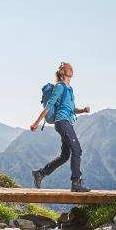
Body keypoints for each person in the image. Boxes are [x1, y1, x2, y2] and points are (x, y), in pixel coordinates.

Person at [30, 62, 92, 192]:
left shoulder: (69, 89)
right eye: (69, 67)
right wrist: (36, 123)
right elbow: (49, 106)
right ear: (63, 72)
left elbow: (72, 109)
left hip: (67, 122)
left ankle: (40, 173)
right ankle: (76, 182)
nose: (72, 68)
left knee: (65, 156)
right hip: (62, 122)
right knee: (77, 150)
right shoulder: (60, 87)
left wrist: (83, 110)